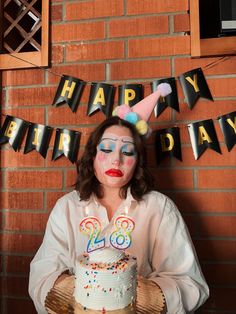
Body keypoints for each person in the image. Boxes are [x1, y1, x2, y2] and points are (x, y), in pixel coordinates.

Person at [29, 115, 209, 314]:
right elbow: (42, 277)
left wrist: (132, 296)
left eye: (128, 151)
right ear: (92, 155)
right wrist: (85, 296)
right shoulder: (67, 208)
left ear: (138, 160)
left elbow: (190, 284)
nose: (117, 159)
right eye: (106, 149)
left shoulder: (159, 208)